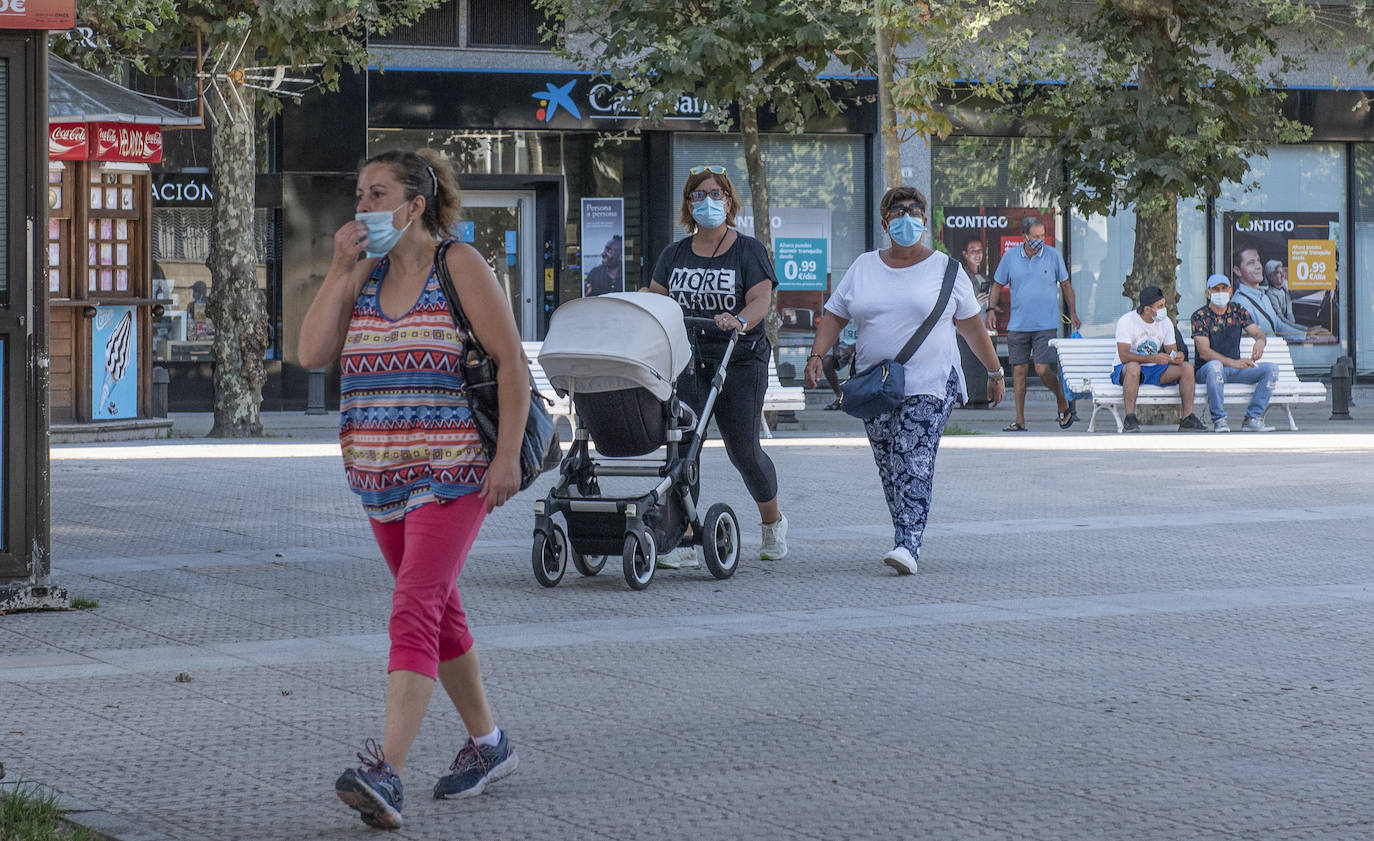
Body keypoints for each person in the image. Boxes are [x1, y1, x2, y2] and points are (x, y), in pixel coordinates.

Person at [298, 149, 521, 830]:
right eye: (359, 193)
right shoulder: (360, 274)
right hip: (381, 475)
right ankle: (489, 744)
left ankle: (384, 771)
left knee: (414, 608)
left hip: (453, 472)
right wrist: (339, 270)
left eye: (378, 193)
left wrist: (506, 456)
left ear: (414, 205)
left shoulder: (459, 265)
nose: (363, 206)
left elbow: (509, 359)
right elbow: (309, 354)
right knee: (439, 608)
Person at [804, 186, 1005, 575]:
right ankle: (905, 531)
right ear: (885, 223)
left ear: (925, 220)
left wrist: (995, 371)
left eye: (915, 211)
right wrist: (817, 355)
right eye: (898, 212)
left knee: (912, 457)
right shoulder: (864, 267)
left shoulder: (947, 270)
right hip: (876, 385)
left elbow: (972, 327)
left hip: (930, 381)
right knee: (890, 465)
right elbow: (834, 314)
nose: (907, 217)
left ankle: (908, 543)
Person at [648, 165, 788, 567]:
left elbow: (761, 299)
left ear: (728, 201)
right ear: (688, 205)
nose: (707, 202)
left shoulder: (748, 250)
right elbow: (656, 298)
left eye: (716, 194)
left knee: (743, 450)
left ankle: (772, 522)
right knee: (684, 447)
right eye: (698, 195)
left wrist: (739, 320)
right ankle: (685, 535)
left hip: (739, 359)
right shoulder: (674, 254)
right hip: (690, 362)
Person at [986, 216, 1079, 431]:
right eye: (1036, 236)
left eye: (1043, 235)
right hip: (1017, 325)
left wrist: (1072, 312)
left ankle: (1061, 399)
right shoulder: (1010, 257)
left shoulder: (1053, 256)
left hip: (1045, 324)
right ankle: (1020, 420)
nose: (1040, 240)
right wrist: (990, 309)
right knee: (1018, 372)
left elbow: (1066, 285)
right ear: (1024, 236)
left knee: (1042, 369)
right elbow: (998, 285)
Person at [1111, 285, 1208, 433]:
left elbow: (1172, 350)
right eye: (1160, 306)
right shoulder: (1127, 321)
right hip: (1127, 369)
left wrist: (1176, 357)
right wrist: (1153, 358)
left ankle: (1187, 418)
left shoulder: (1165, 322)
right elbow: (1124, 355)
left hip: (1156, 368)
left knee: (1187, 368)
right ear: (1147, 309)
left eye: (1164, 304)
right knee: (1133, 367)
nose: (1164, 308)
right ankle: (1130, 418)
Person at [1191, 273, 1279, 433]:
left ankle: (1252, 418)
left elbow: (1259, 333)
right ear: (1208, 293)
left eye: (1224, 289)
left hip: (1234, 369)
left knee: (1271, 369)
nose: (1220, 292)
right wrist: (1235, 363)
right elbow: (1204, 352)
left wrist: (1260, 342)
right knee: (1215, 366)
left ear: (1231, 292)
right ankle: (1219, 420)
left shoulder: (1237, 310)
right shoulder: (1200, 316)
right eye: (1216, 289)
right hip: (1207, 371)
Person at [1230, 246, 1334, 344]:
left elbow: (1278, 325)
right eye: (1251, 263)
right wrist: (1309, 338)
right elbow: (1257, 341)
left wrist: (1306, 334)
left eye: (1258, 261)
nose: (1258, 266)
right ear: (1237, 271)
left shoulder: (1263, 296)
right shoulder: (1239, 304)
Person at [820, 325, 857, 410]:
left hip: (861, 347)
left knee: (854, 363)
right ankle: (840, 396)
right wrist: (835, 348)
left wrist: (852, 349)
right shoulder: (845, 312)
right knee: (826, 363)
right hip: (843, 347)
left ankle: (854, 397)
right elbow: (835, 328)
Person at [960, 236, 992, 314]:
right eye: (973, 250)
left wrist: (993, 309)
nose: (977, 254)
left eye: (980, 250)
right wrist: (975, 304)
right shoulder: (961, 277)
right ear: (965, 254)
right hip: (971, 323)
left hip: (985, 322)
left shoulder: (984, 277)